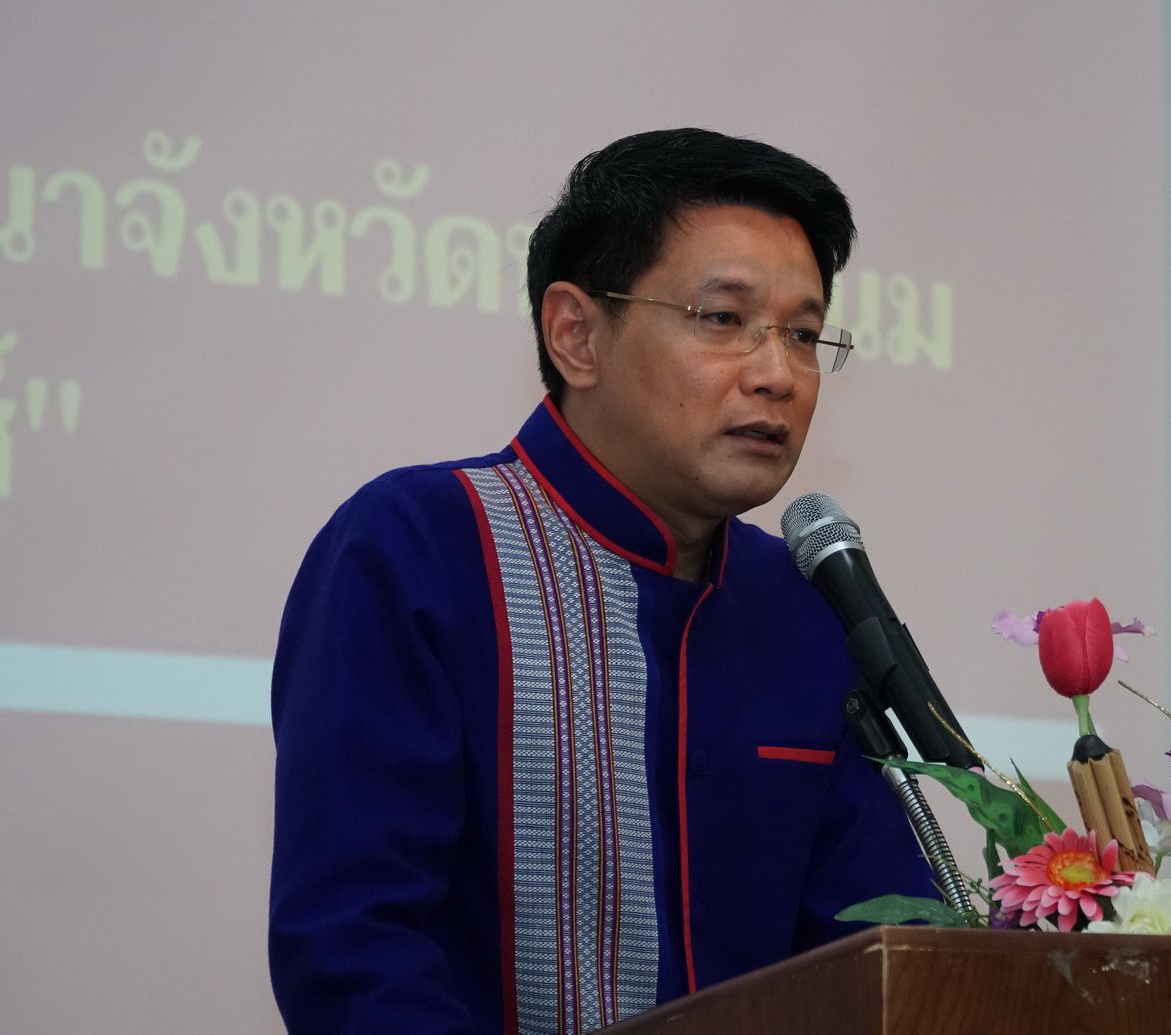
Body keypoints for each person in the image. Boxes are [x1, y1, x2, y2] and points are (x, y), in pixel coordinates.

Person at [268, 128, 934, 1034]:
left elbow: (884, 942)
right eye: (722, 318)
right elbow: (353, 949)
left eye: (805, 334)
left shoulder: (800, 604)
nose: (779, 374)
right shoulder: (419, 545)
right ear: (576, 335)